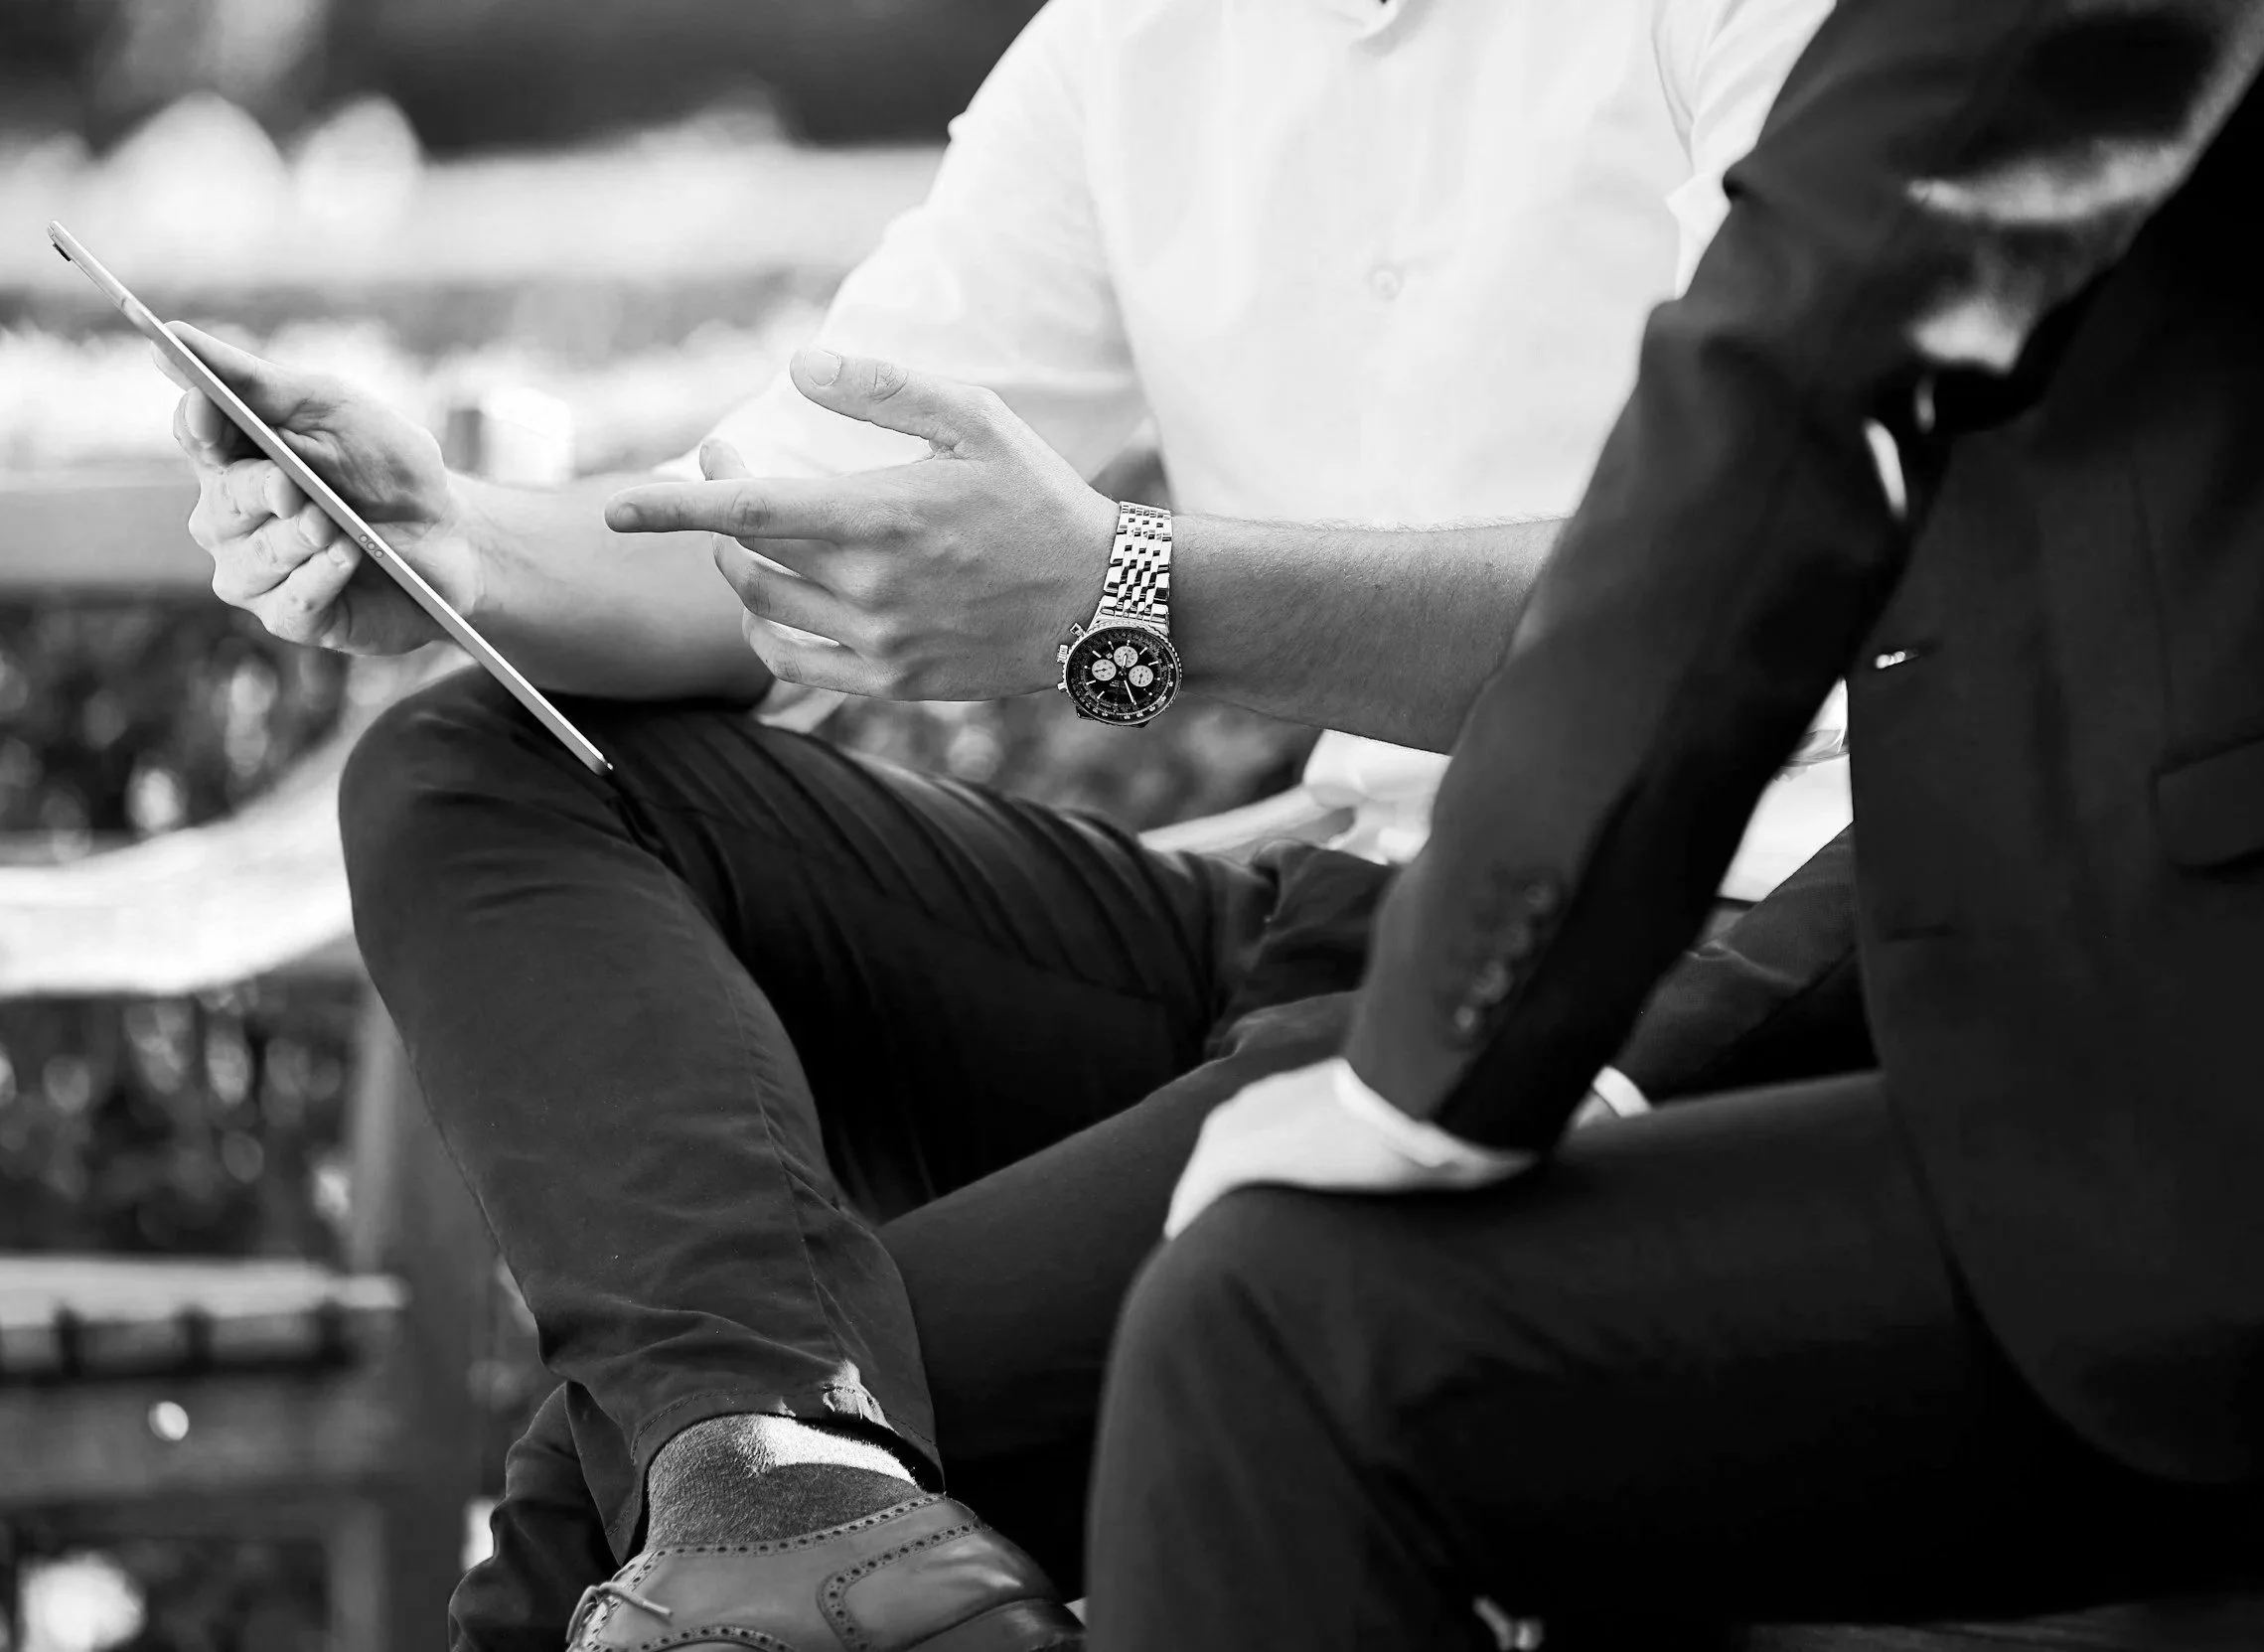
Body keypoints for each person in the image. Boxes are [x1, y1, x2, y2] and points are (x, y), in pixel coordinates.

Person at [166, 0, 1849, 1644]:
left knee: (589, 1517)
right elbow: (787, 531)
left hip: (1671, 947)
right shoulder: (1135, 42)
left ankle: (778, 1483)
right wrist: (455, 543)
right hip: (1321, 919)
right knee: (470, 768)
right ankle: (782, 1465)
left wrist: (1125, 590)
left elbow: (1735, 590)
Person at [1072, 0, 2264, 1646]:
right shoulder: (1122, 52)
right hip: (1999, 1021)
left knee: (1277, 1329)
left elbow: (1802, 365)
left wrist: (1441, 1067)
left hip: (2208, 1111)